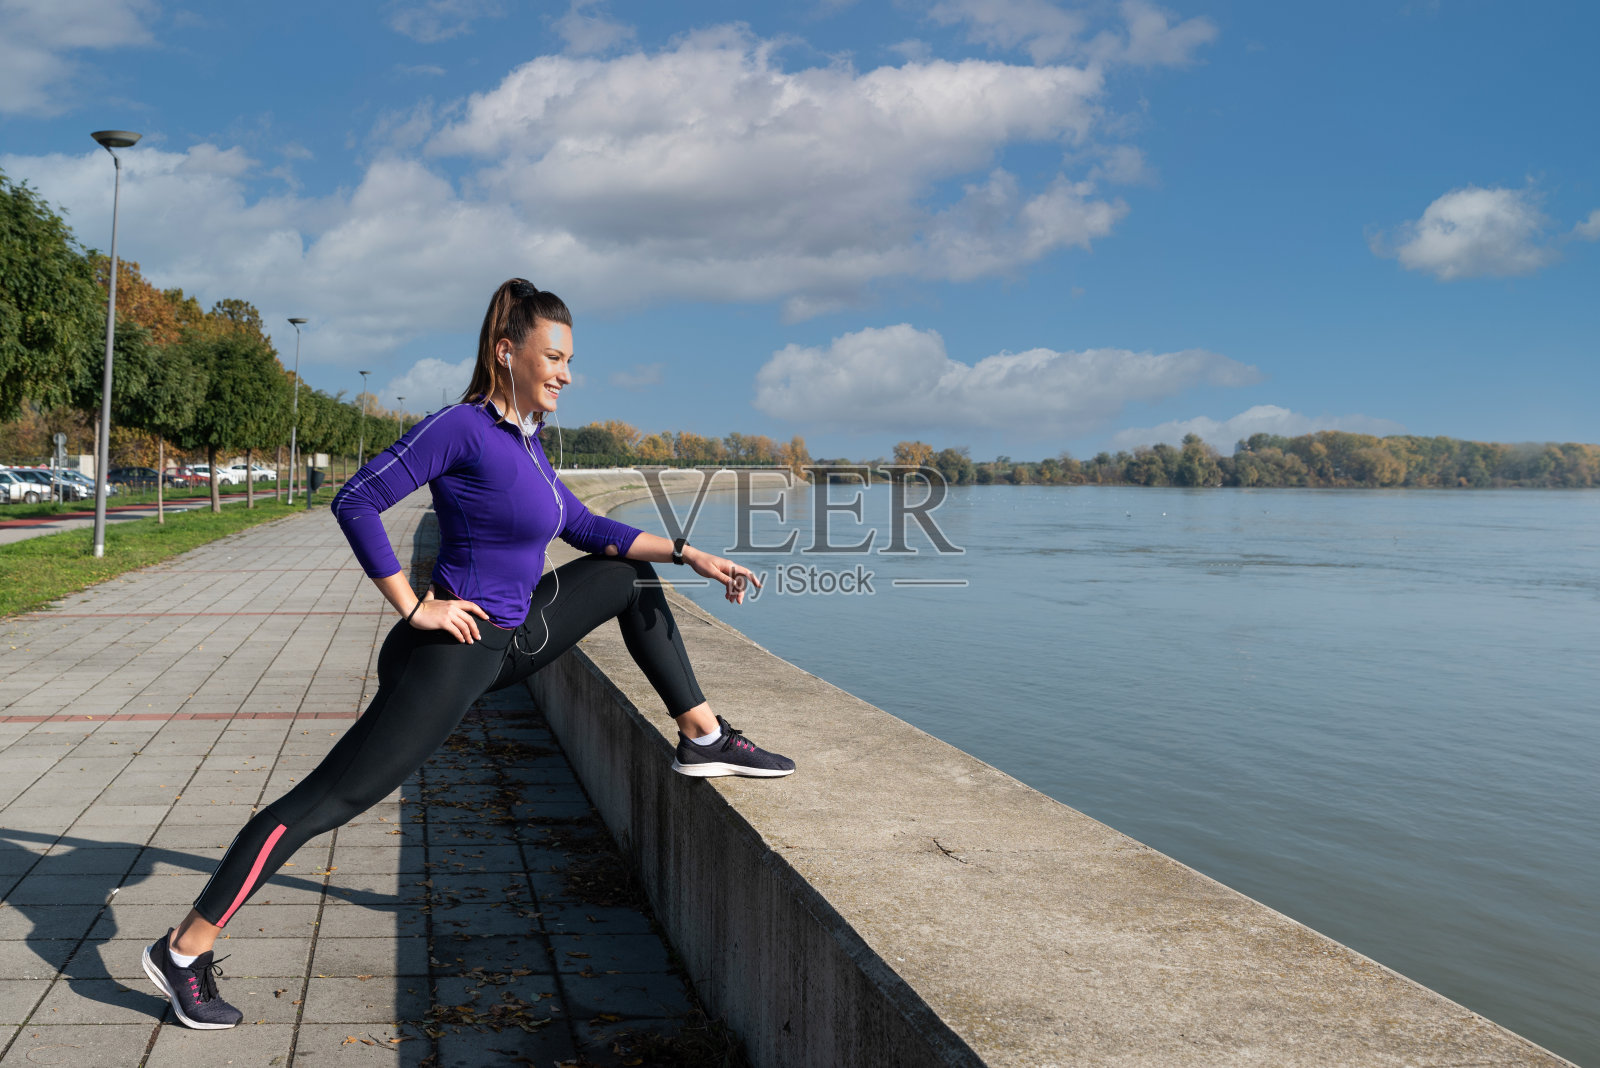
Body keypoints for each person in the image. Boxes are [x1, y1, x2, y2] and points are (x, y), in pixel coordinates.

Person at [141, 279, 794, 1029]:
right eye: (554, 357)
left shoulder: (529, 441)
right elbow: (356, 500)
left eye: (570, 360)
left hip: (513, 639)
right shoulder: (459, 428)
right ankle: (183, 950)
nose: (567, 374)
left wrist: (688, 552)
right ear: (506, 352)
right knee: (326, 802)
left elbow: (584, 527)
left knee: (628, 576)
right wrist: (414, 605)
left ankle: (702, 736)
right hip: (449, 655)